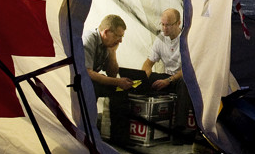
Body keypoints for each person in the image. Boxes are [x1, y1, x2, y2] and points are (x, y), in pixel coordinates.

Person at [142, 8, 195, 144]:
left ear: (178, 23)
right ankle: (143, 123)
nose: (164, 28)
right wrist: (144, 75)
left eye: (168, 25)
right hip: (167, 78)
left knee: (184, 82)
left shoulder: (186, 39)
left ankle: (179, 130)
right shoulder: (161, 38)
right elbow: (148, 63)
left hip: (180, 79)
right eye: (163, 24)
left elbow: (188, 69)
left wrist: (169, 80)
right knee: (143, 78)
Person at [83, 14, 133, 146]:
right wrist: (117, 81)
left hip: (93, 80)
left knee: (120, 91)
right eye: (118, 36)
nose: (120, 40)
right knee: (91, 88)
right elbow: (87, 73)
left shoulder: (106, 45)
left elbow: (111, 72)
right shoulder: (89, 39)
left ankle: (120, 139)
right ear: (106, 32)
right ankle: (89, 136)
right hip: (82, 81)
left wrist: (112, 53)